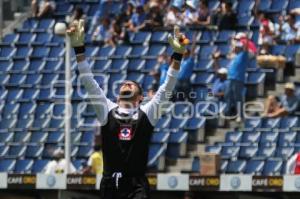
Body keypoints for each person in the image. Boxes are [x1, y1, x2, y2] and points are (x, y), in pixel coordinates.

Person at [67, 22, 188, 199]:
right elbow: (89, 82)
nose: (127, 84)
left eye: (132, 84)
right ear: (117, 98)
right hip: (109, 184)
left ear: (140, 98)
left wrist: (178, 55)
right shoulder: (106, 110)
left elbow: (167, 86)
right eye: (124, 84)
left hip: (136, 185)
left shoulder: (148, 113)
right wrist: (79, 49)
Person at [224, 41, 249, 121]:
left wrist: (247, 39)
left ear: (240, 48)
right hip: (230, 78)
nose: (234, 48)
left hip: (238, 79)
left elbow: (246, 48)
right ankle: (228, 113)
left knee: (238, 97)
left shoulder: (243, 55)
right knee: (228, 95)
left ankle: (240, 115)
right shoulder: (234, 57)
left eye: (236, 47)